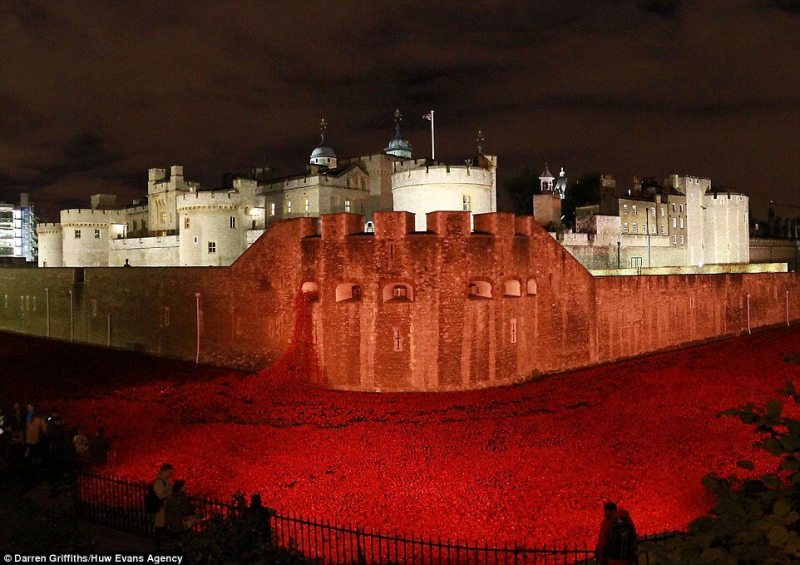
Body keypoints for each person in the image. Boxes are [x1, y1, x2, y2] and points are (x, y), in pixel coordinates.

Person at [152, 464, 175, 541]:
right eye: (170, 472)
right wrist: (168, 492)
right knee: (160, 524)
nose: (171, 474)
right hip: (161, 507)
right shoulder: (160, 481)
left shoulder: (164, 481)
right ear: (165, 471)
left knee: (162, 524)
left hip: (164, 507)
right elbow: (160, 495)